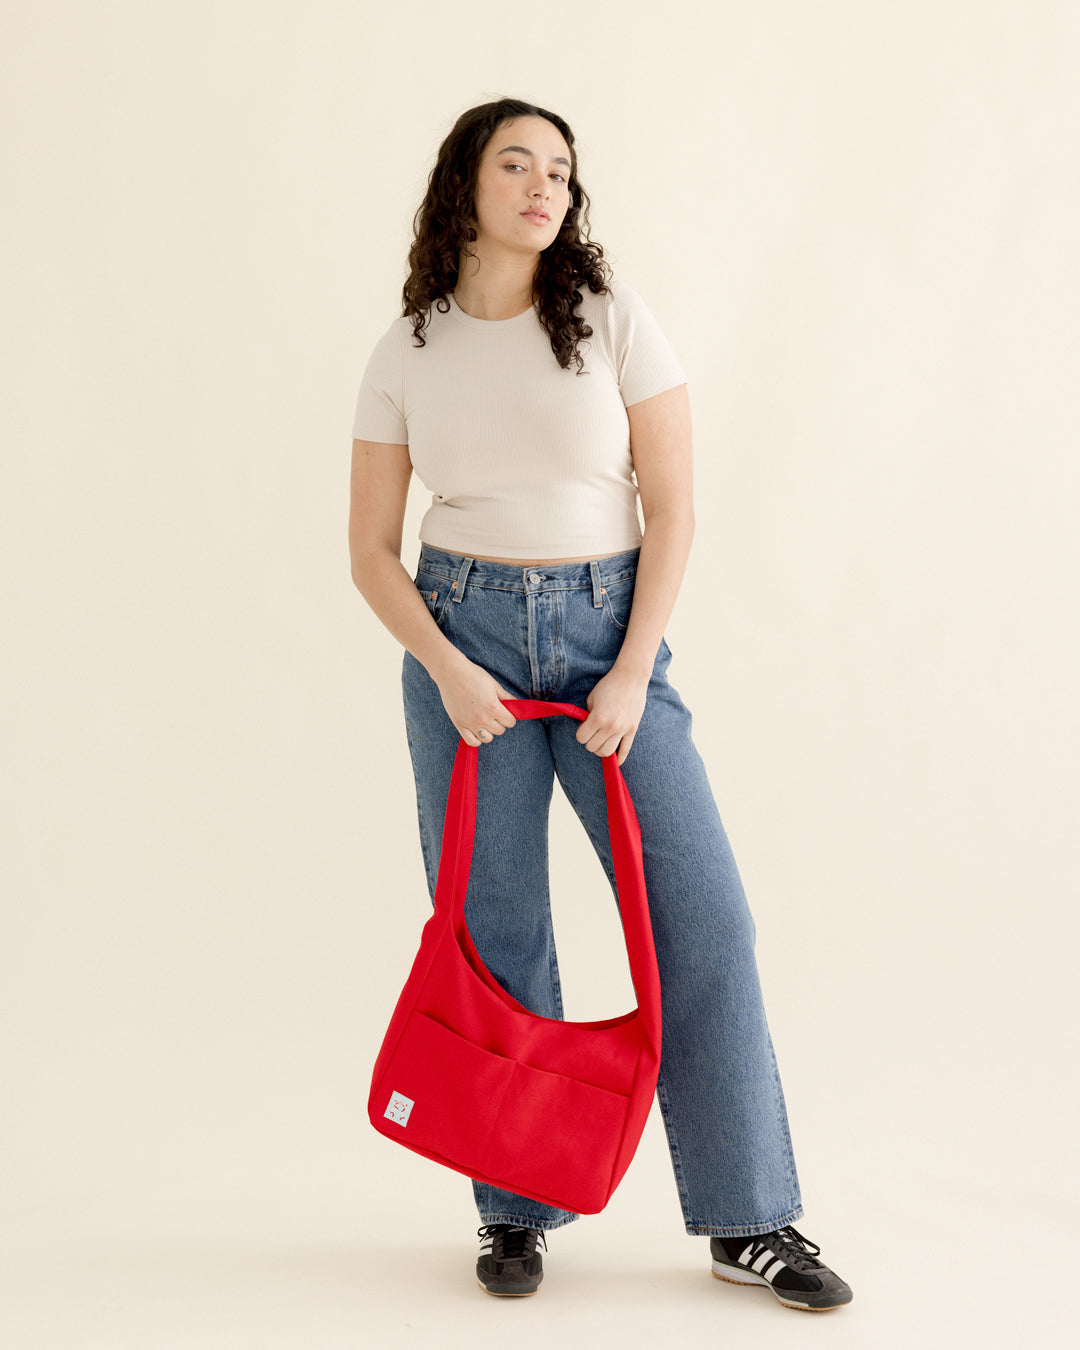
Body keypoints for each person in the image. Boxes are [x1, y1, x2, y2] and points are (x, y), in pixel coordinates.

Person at [347, 96, 852, 1313]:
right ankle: (514, 1209)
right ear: (465, 184)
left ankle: (749, 1217)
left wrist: (628, 670)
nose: (544, 186)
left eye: (562, 171)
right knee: (498, 933)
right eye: (517, 163)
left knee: (702, 920)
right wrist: (448, 668)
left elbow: (673, 508)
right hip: (462, 638)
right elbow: (368, 550)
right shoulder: (407, 348)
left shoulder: (612, 318)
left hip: (607, 636)